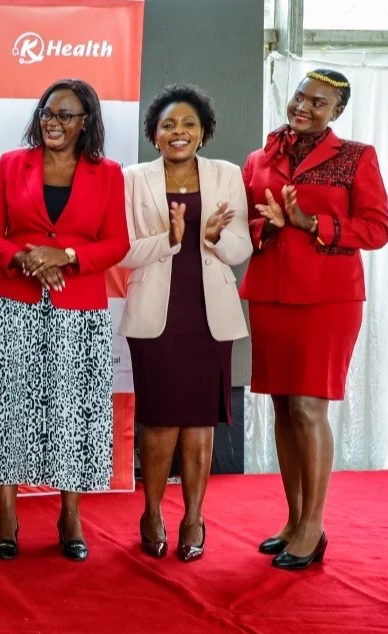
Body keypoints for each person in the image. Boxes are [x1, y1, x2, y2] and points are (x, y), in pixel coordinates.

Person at [0, 78, 129, 562]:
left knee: (73, 412)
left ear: (86, 123)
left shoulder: (109, 174)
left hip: (78, 309)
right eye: (47, 112)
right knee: (9, 405)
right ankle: (7, 513)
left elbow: (116, 243)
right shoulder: (10, 164)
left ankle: (70, 515)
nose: (52, 122)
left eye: (64, 115)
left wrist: (64, 254)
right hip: (15, 302)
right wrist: (24, 258)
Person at [241, 69, 388, 569]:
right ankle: (292, 518)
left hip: (327, 299)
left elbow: (377, 228)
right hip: (270, 295)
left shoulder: (357, 156)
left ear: (337, 112)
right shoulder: (260, 157)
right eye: (300, 96)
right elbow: (249, 221)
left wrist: (312, 223)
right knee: (283, 408)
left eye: (318, 103)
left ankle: (314, 526)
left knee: (308, 406)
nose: (303, 107)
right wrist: (267, 226)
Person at [118, 84, 252, 562]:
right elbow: (122, 251)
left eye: (189, 124)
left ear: (203, 132)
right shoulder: (133, 179)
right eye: (169, 125)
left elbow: (243, 248)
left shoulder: (227, 175)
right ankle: (152, 512)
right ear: (154, 134)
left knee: (199, 423)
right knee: (158, 421)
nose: (179, 132)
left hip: (209, 315)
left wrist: (214, 237)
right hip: (156, 315)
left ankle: (194, 517)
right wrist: (169, 239)